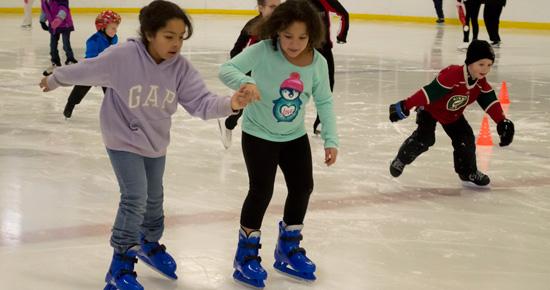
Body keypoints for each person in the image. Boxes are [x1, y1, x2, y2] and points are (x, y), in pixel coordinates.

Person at [39, 1, 255, 289]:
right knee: (135, 197)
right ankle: (121, 262)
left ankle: (149, 242)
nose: (176, 43)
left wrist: (231, 103)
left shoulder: (180, 68)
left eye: (181, 37)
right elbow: (87, 70)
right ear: (150, 33)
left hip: (155, 142)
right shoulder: (123, 56)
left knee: (154, 198)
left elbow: (201, 103)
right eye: (169, 36)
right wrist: (55, 79)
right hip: (121, 138)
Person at [219, 0, 338, 287]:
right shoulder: (263, 51)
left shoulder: (318, 62)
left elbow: (324, 100)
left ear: (312, 34)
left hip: (294, 136)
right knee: (261, 191)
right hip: (259, 134)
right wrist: (245, 83)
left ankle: (288, 247)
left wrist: (331, 139)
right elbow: (226, 69)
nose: (294, 43)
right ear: (276, 32)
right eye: (287, 36)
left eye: (301, 37)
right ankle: (245, 255)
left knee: (303, 187)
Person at [388, 40, 514, 187]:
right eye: (481, 64)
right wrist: (406, 105)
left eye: (489, 65)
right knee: (425, 138)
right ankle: (401, 159)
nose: (485, 69)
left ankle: (467, 172)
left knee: (465, 138)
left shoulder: (480, 83)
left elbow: (490, 101)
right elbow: (428, 93)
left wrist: (501, 121)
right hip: (430, 110)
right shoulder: (453, 75)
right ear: (469, 62)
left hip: (452, 115)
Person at [217, 0, 281, 149]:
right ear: (261, 8)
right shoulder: (252, 26)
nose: (277, 10)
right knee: (247, 103)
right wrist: (245, 76)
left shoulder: (282, 24)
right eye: (272, 7)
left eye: (279, 6)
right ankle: (228, 124)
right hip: (252, 74)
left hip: (271, 72)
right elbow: (236, 51)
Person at [62, 10, 121, 119]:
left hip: (106, 71)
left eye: (116, 28)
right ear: (102, 27)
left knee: (112, 93)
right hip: (91, 69)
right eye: (113, 28)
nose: (115, 30)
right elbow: (91, 58)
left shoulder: (114, 38)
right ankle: (69, 106)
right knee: (80, 89)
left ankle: (116, 113)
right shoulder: (93, 40)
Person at [307, 0, 348, 135]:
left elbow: (344, 15)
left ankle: (320, 120)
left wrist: (342, 35)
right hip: (302, 49)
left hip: (320, 49)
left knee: (327, 85)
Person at [40, 0, 78, 76]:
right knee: (52, 45)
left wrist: (59, 19)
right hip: (53, 26)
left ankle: (71, 60)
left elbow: (64, 8)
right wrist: (42, 20)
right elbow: (45, 10)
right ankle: (55, 63)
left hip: (65, 24)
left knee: (66, 44)